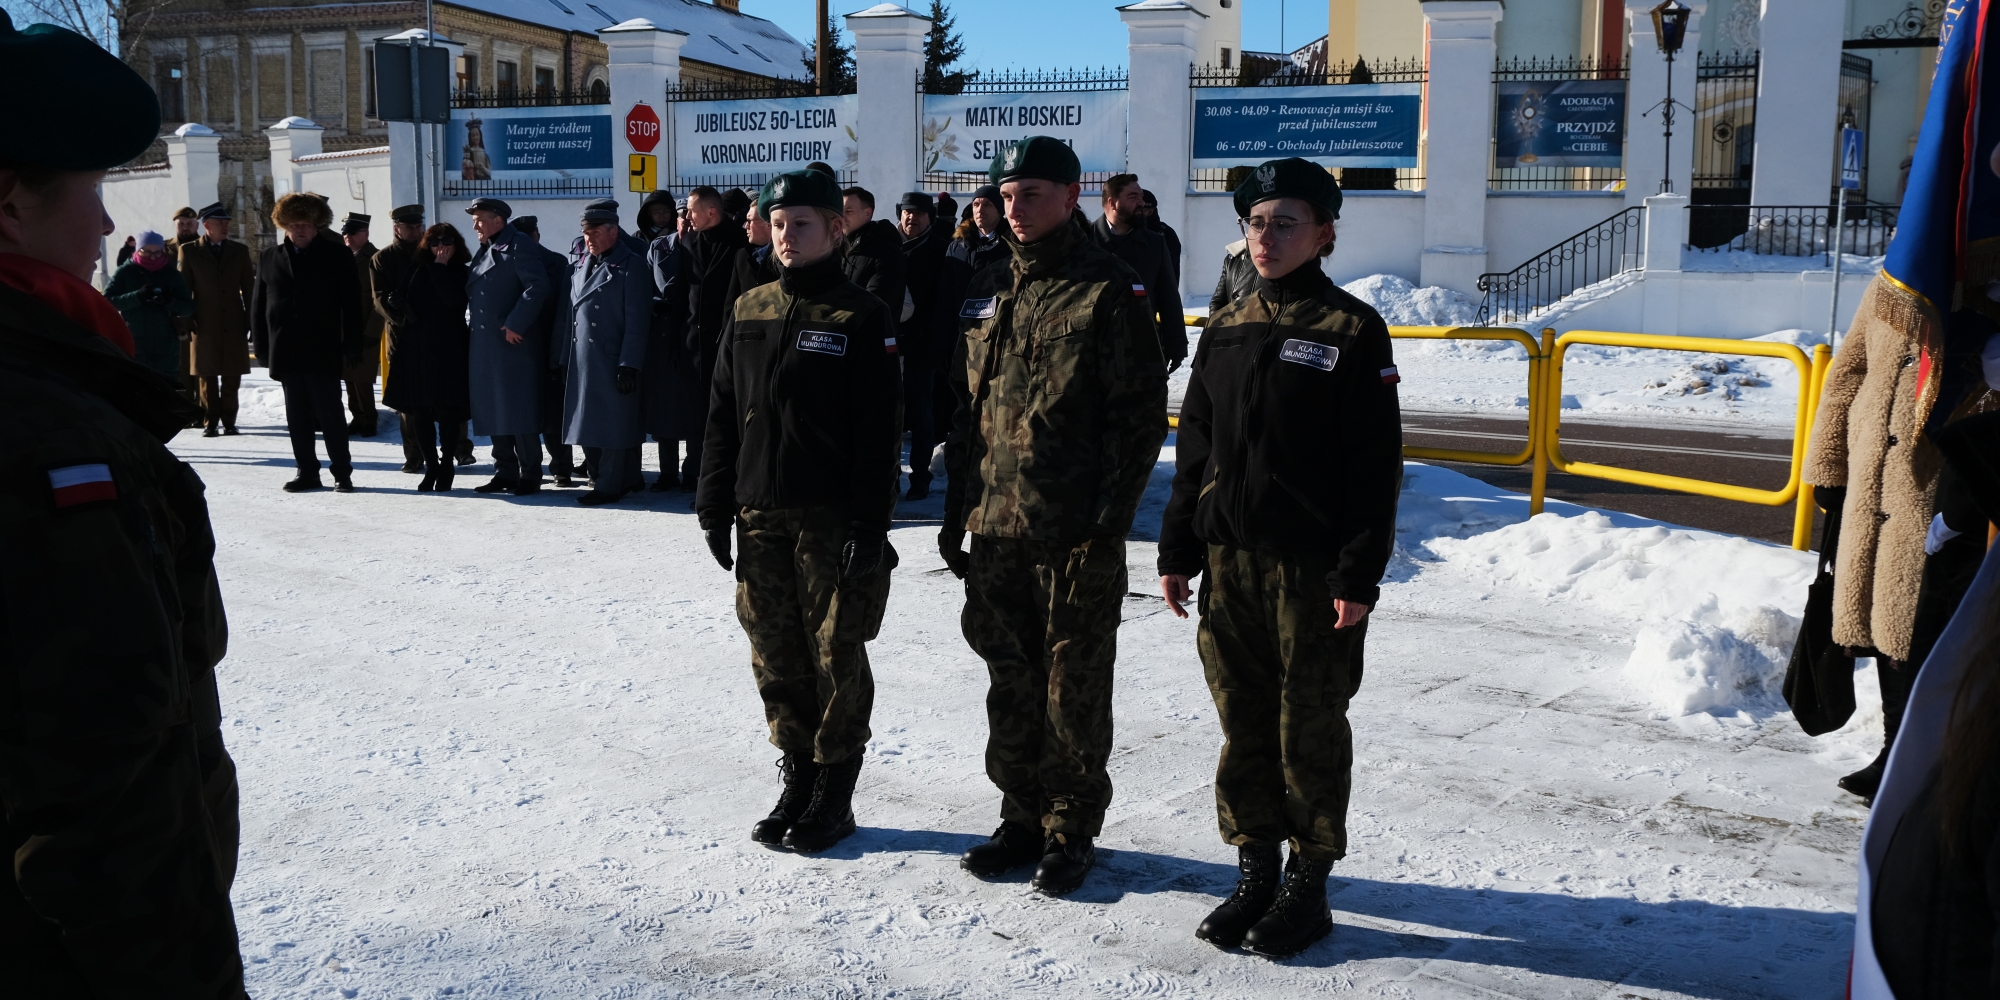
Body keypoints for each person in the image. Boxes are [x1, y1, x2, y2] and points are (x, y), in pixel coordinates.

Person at [0, 13, 246, 994]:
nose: (107, 225)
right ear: (9, 204)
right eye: (93, 189)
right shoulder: (43, 435)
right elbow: (100, 796)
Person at [1158, 158, 1401, 959]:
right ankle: (1255, 869)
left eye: (1286, 222)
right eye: (1257, 222)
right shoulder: (1224, 327)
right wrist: (1178, 546)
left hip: (1310, 572)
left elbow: (1374, 465)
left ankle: (1309, 886)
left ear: (1326, 233)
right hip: (1229, 563)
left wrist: (1358, 573)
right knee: (1245, 724)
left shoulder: (1351, 330)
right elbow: (1195, 447)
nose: (1266, 237)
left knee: (1311, 728)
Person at [940, 137, 1169, 896]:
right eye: (1007, 196)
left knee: (1072, 684)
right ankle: (1019, 815)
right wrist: (955, 512)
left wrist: (1106, 526)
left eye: (1033, 194)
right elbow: (965, 413)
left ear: (1074, 197)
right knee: (1009, 677)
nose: (1016, 209)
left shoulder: (1109, 288)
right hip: (996, 526)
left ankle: (1070, 828)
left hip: (1072, 532)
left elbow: (1138, 421)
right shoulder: (987, 285)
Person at [697, 168, 902, 854]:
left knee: (835, 653)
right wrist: (713, 501)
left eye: (802, 224)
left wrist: (872, 526)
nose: (786, 237)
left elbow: (879, 433)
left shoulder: (859, 315)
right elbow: (723, 411)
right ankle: (799, 775)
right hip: (759, 512)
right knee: (776, 654)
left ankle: (835, 790)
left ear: (835, 229)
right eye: (778, 225)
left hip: (830, 517)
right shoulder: (750, 307)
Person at [251, 192, 366, 493]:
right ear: (284, 226)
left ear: (316, 226)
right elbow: (259, 307)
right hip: (286, 350)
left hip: (322, 349)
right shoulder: (269, 258)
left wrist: (353, 343)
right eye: (294, 224)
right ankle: (307, 472)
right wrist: (262, 347)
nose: (300, 229)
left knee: (330, 414)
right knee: (297, 417)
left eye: (306, 224)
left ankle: (342, 472)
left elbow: (352, 304)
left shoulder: (336, 256)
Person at [652, 185, 743, 491]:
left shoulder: (738, 243)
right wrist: (677, 342)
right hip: (693, 345)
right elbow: (681, 296)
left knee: (725, 421)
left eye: (691, 210)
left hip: (726, 347)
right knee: (697, 419)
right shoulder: (688, 242)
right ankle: (700, 477)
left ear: (712, 212)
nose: (687, 216)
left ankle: (723, 482)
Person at [563, 198, 652, 505]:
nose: (590, 239)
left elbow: (638, 321)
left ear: (614, 232)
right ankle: (609, 476)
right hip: (583, 359)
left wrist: (629, 363)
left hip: (612, 357)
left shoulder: (632, 266)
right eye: (586, 233)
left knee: (614, 424)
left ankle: (610, 484)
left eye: (596, 232)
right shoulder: (581, 264)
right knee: (587, 422)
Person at [464, 197, 552, 495]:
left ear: (497, 221)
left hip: (513, 344)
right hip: (487, 346)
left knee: (519, 410)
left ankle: (530, 473)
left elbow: (537, 286)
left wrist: (517, 322)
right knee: (495, 408)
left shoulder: (519, 245)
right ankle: (504, 471)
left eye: (479, 219)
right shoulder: (486, 248)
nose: (474, 224)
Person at [384, 223, 473, 493]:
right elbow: (406, 301)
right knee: (419, 411)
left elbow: (454, 302)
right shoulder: (417, 267)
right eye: (434, 242)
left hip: (449, 348)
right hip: (417, 347)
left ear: (456, 244)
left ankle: (446, 463)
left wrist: (440, 268)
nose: (440, 247)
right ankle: (431, 464)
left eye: (446, 241)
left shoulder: (459, 271)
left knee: (447, 411)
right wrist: (396, 303)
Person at [1090, 174, 1187, 371]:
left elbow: (1169, 297)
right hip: (1092, 354)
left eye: (1141, 196)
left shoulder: (1155, 243)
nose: (1142, 203)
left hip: (1141, 353)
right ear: (1112, 203)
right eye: (1133, 197)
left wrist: (1176, 345)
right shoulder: (1085, 240)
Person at [512, 215, 578, 487]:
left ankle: (561, 467)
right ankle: (530, 468)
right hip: (521, 346)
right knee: (527, 413)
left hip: (549, 344)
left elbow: (563, 310)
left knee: (554, 414)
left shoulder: (558, 263)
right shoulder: (510, 263)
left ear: (537, 235)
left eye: (532, 234)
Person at [179, 202, 254, 437]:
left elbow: (250, 289)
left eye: (227, 223)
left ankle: (230, 420)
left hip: (233, 321)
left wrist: (251, 320)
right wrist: (186, 319)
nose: (225, 227)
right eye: (220, 223)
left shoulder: (239, 251)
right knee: (207, 376)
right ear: (207, 225)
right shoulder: (191, 251)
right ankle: (210, 421)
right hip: (204, 322)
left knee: (233, 375)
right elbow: (184, 289)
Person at [896, 191, 949, 500]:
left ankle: (920, 478)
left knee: (921, 415)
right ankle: (891, 479)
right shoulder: (889, 249)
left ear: (930, 217)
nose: (911, 217)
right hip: (888, 344)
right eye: (906, 212)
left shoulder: (942, 251)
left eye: (918, 212)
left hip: (922, 344)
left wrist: (927, 335)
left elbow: (941, 302)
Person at [371, 203, 432, 473]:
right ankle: (414, 454)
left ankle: (459, 449)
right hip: (402, 336)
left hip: (433, 334)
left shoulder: (432, 253)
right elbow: (379, 300)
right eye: (410, 227)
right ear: (397, 228)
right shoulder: (383, 259)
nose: (416, 231)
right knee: (408, 401)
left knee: (445, 394)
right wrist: (402, 314)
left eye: (419, 226)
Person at [104, 229, 194, 379]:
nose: (152, 257)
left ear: (163, 251)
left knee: (164, 394)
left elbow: (188, 308)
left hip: (166, 348)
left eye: (157, 252)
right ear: (137, 250)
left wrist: (170, 301)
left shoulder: (172, 275)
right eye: (146, 252)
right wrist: (137, 297)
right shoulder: (125, 272)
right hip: (133, 343)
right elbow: (107, 302)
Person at [337, 212, 382, 436]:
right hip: (344, 329)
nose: (348, 237)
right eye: (345, 233)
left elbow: (378, 300)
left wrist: (372, 331)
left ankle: (369, 418)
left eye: (353, 233)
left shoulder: (374, 259)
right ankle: (357, 416)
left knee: (362, 377)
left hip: (365, 328)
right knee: (348, 377)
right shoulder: (339, 257)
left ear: (365, 233)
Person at [840, 185, 907, 320]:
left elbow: (877, 303)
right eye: (840, 211)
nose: (842, 217)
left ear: (867, 213)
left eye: (849, 211)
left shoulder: (888, 253)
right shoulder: (838, 248)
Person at [1139, 188, 1183, 283]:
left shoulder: (1166, 235)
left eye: (1139, 209)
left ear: (1150, 211)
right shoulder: (1127, 231)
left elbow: (1166, 271)